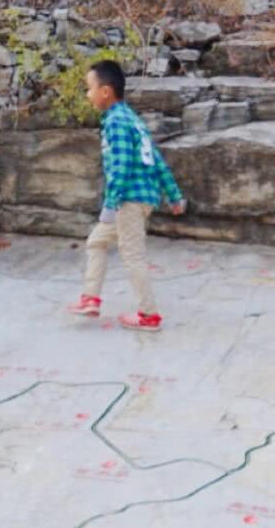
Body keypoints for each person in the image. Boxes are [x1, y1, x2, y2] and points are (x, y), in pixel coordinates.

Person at [66, 59, 188, 331]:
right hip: (138, 198)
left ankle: (149, 315)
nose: (88, 95)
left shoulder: (116, 122)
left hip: (128, 200)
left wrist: (111, 204)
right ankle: (90, 299)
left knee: (132, 255)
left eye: (89, 88)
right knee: (97, 242)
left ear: (105, 91)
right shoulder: (133, 120)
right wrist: (174, 195)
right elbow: (156, 160)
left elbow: (119, 167)